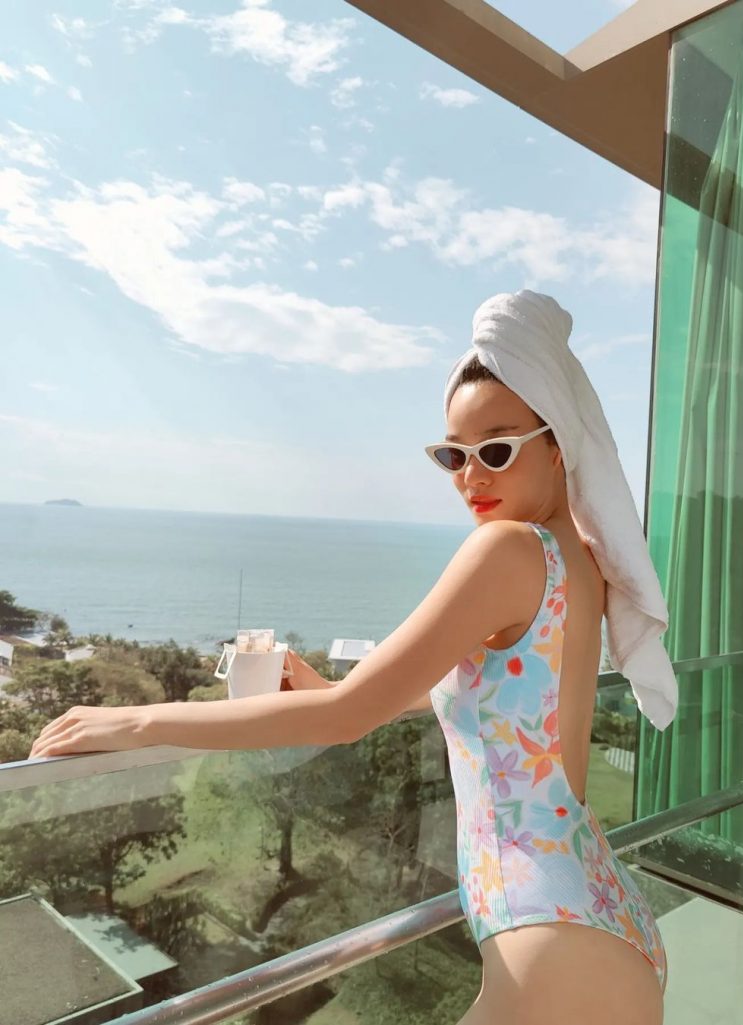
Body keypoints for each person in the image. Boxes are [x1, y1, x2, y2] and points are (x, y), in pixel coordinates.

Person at [30, 291, 670, 1024]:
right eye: (453, 455)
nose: (471, 477)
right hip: (598, 908)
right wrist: (326, 684)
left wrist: (135, 721)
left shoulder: (507, 550)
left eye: (496, 449)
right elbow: (495, 687)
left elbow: (345, 718)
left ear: (557, 445)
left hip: (548, 936)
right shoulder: (577, 556)